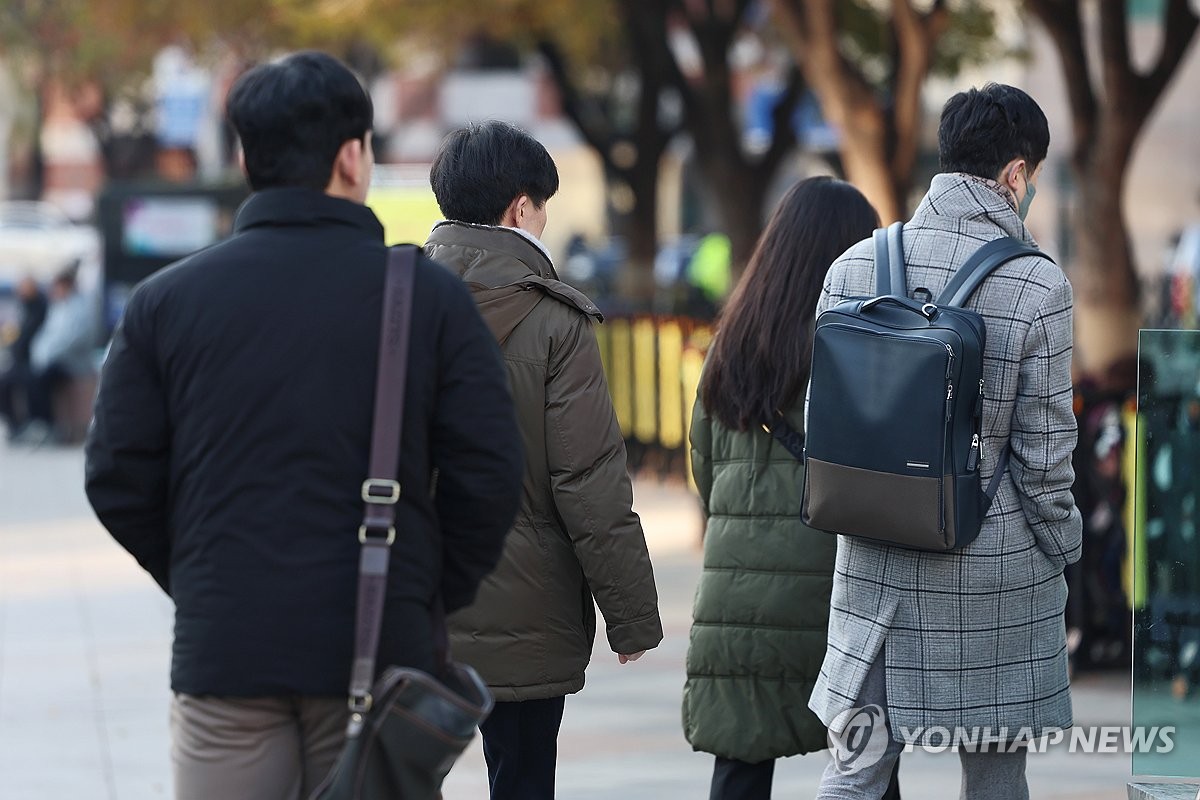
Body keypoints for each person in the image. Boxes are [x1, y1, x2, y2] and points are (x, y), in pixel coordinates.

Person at [84, 52, 524, 800]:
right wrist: (419, 594)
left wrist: (200, 577)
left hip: (225, 652)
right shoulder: (426, 297)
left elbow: (117, 474)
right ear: (353, 156)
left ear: (246, 156)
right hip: (378, 649)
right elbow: (490, 474)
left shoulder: (165, 302)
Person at [809, 83, 1082, 800]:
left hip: (872, 560)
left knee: (855, 769)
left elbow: (824, 422)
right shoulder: (1037, 286)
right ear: (1016, 174)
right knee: (995, 774)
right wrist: (1068, 550)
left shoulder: (853, 267)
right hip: (993, 567)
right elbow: (1046, 458)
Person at [424, 120, 664, 800]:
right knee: (523, 779)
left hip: (411, 595)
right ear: (520, 209)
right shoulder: (555, 321)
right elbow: (588, 482)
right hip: (529, 606)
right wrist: (632, 614)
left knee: (399, 774)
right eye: (544, 205)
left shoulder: (392, 305)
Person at [684, 177, 904, 800]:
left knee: (740, 770)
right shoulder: (863, 352)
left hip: (738, 606)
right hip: (840, 601)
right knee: (867, 773)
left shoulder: (726, 352)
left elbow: (706, 476)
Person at [0, 276, 48, 439]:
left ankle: (36, 423)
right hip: (22, 360)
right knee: (4, 381)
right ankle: (15, 426)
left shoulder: (41, 306)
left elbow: (29, 335)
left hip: (36, 359)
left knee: (29, 380)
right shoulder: (25, 306)